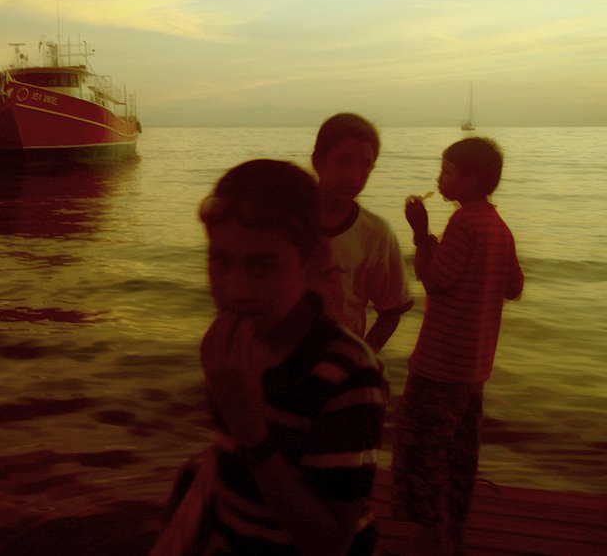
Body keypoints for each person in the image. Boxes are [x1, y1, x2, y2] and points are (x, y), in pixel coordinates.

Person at [153, 159, 388, 555]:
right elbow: (232, 464)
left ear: (311, 262)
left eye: (264, 266)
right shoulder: (237, 347)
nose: (235, 290)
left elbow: (330, 541)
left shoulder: (349, 375)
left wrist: (249, 427)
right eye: (220, 261)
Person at [392, 137, 524, 555]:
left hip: (439, 365)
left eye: (448, 170)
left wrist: (420, 234)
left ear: (471, 179)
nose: (440, 177)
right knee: (459, 455)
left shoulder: (464, 223)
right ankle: (455, 535)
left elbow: (437, 280)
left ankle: (428, 542)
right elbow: (514, 287)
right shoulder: (497, 226)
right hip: (474, 366)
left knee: (420, 453)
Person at [311, 113, 413, 352]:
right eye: (344, 161)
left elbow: (390, 312)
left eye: (365, 165)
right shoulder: (286, 221)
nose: (354, 176)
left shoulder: (376, 234)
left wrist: (359, 359)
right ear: (319, 161)